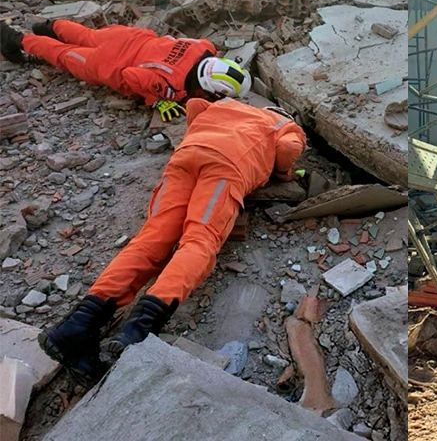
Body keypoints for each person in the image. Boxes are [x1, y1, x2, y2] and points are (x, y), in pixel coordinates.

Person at [38, 98, 308, 380]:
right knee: (200, 241)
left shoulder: (227, 105)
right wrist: (282, 172)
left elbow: (194, 105)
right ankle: (137, 332)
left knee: (152, 239)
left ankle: (76, 327)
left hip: (185, 157)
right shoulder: (286, 126)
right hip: (225, 167)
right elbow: (287, 148)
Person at [1, 19, 251, 121]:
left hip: (128, 36)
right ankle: (15, 38)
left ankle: (50, 25)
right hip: (108, 61)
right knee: (63, 55)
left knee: (87, 34)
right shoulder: (173, 87)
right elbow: (131, 76)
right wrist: (158, 99)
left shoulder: (204, 48)